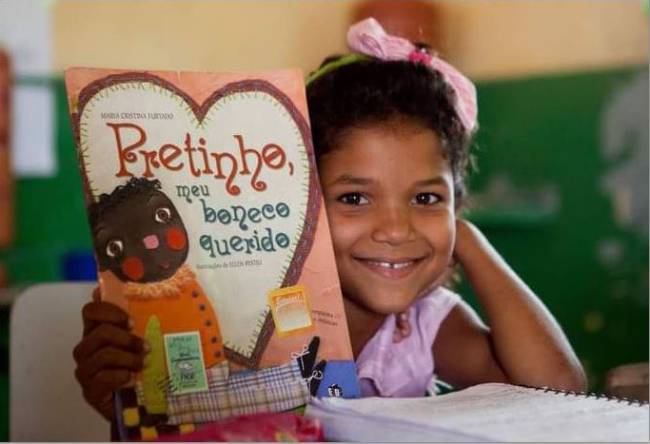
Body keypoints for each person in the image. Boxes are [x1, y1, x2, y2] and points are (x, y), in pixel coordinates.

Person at [73, 17, 586, 421]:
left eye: (427, 199)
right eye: (355, 199)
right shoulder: (245, 313)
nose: (396, 229)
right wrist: (124, 393)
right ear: (301, 202)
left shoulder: (423, 325)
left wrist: (465, 239)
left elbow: (558, 391)